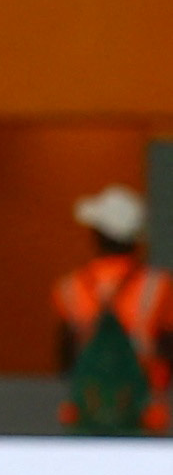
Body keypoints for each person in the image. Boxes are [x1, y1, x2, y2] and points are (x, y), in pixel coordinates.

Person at [54, 187, 170, 437]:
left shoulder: (70, 287)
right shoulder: (159, 287)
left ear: (96, 234)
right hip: (145, 416)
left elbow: (65, 357)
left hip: (86, 412)